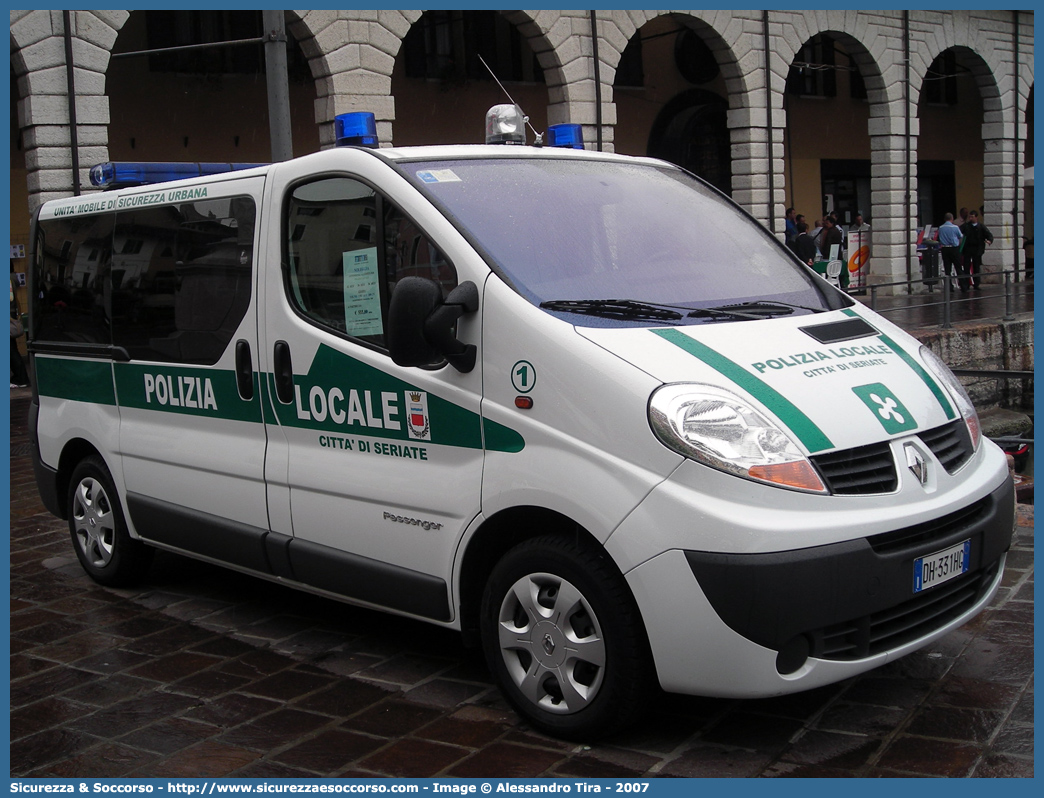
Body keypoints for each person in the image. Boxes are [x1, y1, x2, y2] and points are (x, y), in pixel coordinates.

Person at [960, 210, 993, 290]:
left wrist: (989, 240)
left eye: (972, 217)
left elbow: (988, 234)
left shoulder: (981, 226)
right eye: (970, 217)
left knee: (976, 267)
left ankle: (976, 283)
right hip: (968, 248)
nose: (970, 218)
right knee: (966, 266)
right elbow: (959, 231)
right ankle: (966, 284)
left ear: (976, 217)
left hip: (977, 249)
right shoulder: (966, 225)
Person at [937, 212, 964, 290]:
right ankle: (963, 286)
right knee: (958, 267)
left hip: (945, 248)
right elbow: (960, 236)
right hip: (954, 248)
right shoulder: (955, 227)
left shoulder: (941, 228)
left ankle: (949, 287)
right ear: (952, 219)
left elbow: (939, 237)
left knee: (947, 268)